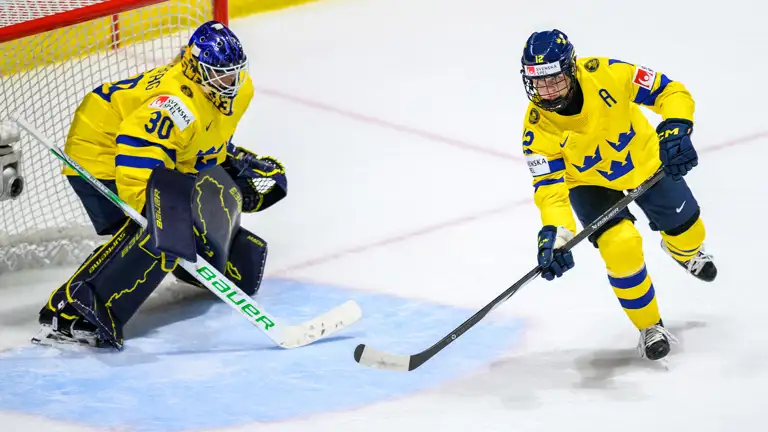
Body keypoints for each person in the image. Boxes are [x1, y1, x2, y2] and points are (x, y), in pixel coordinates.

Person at [33, 21, 288, 349]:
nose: (231, 82)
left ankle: (204, 265)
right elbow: (137, 160)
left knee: (253, 185)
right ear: (196, 70)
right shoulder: (174, 104)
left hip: (167, 153)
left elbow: (211, 134)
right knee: (160, 228)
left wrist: (229, 167)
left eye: (235, 72)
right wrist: (160, 214)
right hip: (102, 150)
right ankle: (74, 308)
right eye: (220, 74)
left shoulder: (240, 90)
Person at [519, 29, 716, 361]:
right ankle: (650, 325)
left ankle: (683, 250)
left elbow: (670, 91)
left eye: (554, 80)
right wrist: (557, 235)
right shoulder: (536, 130)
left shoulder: (607, 73)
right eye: (538, 82)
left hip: (645, 161)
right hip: (589, 184)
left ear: (571, 69)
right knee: (620, 245)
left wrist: (676, 127)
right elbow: (551, 192)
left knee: (689, 232)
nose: (546, 90)